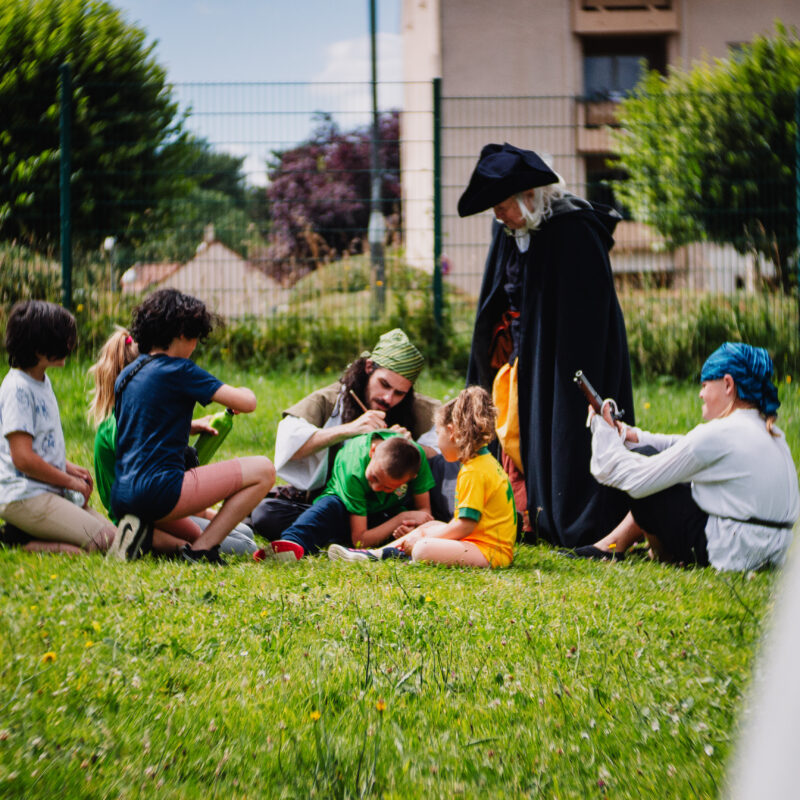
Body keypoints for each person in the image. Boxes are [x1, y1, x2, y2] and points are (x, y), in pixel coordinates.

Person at [459, 142, 634, 549]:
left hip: (562, 360)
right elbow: (499, 292)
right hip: (521, 355)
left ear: (531, 196)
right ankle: (524, 513)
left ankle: (568, 518)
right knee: (513, 430)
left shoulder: (573, 231)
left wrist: (549, 356)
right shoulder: (509, 229)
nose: (498, 214)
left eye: (502, 204)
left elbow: (585, 318)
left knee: (562, 430)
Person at [577, 343, 799, 571]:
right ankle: (614, 544)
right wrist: (632, 435)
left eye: (704, 385)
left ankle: (660, 555)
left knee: (648, 474)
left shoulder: (720, 433)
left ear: (728, 384)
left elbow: (633, 478)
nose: (701, 394)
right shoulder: (771, 432)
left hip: (732, 553)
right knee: (656, 460)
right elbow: (685, 447)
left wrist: (601, 428)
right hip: (771, 552)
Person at [110, 289, 276, 564]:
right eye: (197, 337)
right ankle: (202, 552)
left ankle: (143, 537)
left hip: (124, 495)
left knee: (191, 534)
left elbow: (143, 426)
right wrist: (244, 389)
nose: (196, 345)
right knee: (263, 470)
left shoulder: (128, 374)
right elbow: (247, 403)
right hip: (160, 493)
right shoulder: (179, 369)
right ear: (184, 334)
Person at [250, 328, 450, 538]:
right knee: (266, 514)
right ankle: (369, 533)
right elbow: (291, 447)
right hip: (332, 504)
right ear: (369, 367)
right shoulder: (329, 399)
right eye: (384, 385)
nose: (388, 398)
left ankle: (359, 532)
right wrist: (350, 429)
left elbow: (445, 450)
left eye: (399, 393)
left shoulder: (418, 409)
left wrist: (408, 448)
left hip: (387, 508)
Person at [88, 327, 258, 557]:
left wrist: (189, 427)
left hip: (151, 504)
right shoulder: (116, 424)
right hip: (142, 511)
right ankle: (150, 539)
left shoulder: (122, 418)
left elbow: (145, 437)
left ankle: (157, 539)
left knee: (245, 532)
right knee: (244, 546)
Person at [328, 386, 517, 568]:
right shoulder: (483, 462)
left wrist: (426, 539)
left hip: (488, 552)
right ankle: (374, 554)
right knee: (430, 525)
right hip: (481, 544)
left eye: (437, 434)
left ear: (451, 432)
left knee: (422, 548)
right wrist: (427, 533)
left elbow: (466, 525)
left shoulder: (474, 471)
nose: (437, 442)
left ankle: (398, 554)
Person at [0, 300, 117, 555]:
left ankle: (26, 531)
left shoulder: (42, 382)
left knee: (116, 538)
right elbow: (22, 458)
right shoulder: (18, 389)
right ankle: (18, 541)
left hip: (44, 490)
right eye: (61, 340)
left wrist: (70, 469)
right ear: (37, 345)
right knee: (104, 542)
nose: (69, 346)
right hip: (23, 495)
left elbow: (39, 449)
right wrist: (69, 482)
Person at [270, 431, 435, 560]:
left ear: (412, 478)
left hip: (382, 515)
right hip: (344, 514)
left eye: (388, 487)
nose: (377, 488)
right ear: (373, 451)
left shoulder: (415, 459)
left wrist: (410, 528)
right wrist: (401, 519)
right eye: (374, 478)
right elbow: (360, 541)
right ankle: (291, 544)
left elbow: (424, 512)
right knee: (328, 508)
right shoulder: (354, 469)